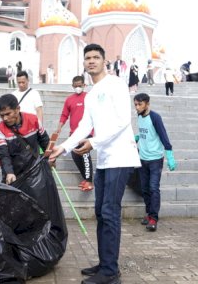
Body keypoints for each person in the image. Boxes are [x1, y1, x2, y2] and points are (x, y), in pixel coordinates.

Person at [50, 43, 140, 284]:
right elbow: (82, 126)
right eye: (87, 58)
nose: (91, 61)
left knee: (110, 212)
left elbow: (123, 120)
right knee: (101, 212)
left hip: (120, 157)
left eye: (95, 57)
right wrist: (63, 148)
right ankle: (105, 263)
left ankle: (110, 273)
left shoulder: (116, 84)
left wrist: (94, 142)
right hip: (104, 159)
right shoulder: (90, 94)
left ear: (104, 60)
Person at [133, 93, 175, 232]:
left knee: (153, 188)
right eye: (135, 105)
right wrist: (138, 137)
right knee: (144, 189)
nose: (137, 107)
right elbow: (144, 132)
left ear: (147, 104)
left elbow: (163, 135)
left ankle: (153, 218)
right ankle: (149, 212)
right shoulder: (139, 116)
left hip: (155, 159)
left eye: (140, 104)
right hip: (142, 158)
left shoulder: (155, 117)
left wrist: (169, 155)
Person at [0, 94, 50, 184]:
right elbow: (3, 155)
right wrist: (9, 172)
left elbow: (45, 141)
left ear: (17, 109)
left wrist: (50, 158)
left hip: (35, 172)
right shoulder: (0, 130)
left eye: (8, 114)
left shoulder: (33, 120)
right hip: (13, 175)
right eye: (2, 115)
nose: (5, 118)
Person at [55, 76, 94, 192]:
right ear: (72, 86)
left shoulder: (89, 97)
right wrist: (59, 127)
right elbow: (64, 115)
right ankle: (86, 178)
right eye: (75, 86)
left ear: (84, 85)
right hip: (74, 133)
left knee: (85, 155)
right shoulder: (69, 100)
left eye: (80, 85)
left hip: (87, 132)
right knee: (75, 155)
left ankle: (89, 181)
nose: (78, 88)